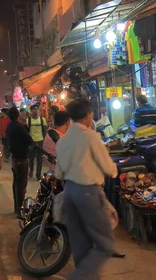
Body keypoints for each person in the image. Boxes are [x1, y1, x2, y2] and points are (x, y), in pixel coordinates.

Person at [55, 99, 117, 279]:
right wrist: (113, 171)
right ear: (88, 115)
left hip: (69, 194)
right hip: (88, 193)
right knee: (105, 244)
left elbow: (59, 172)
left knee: (80, 246)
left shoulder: (63, 140)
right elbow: (108, 167)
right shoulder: (90, 136)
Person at [6, 107, 34, 214]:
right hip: (22, 158)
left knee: (16, 183)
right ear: (17, 115)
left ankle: (17, 207)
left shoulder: (10, 127)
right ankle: (20, 209)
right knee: (21, 185)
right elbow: (29, 139)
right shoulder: (19, 127)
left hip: (15, 158)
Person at [27, 104, 47, 180]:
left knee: (40, 159)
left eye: (37, 109)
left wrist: (44, 141)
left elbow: (44, 130)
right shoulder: (28, 120)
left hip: (40, 141)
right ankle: (31, 171)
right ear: (31, 111)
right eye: (34, 109)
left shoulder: (42, 120)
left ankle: (38, 174)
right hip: (31, 142)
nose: (36, 110)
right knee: (31, 158)